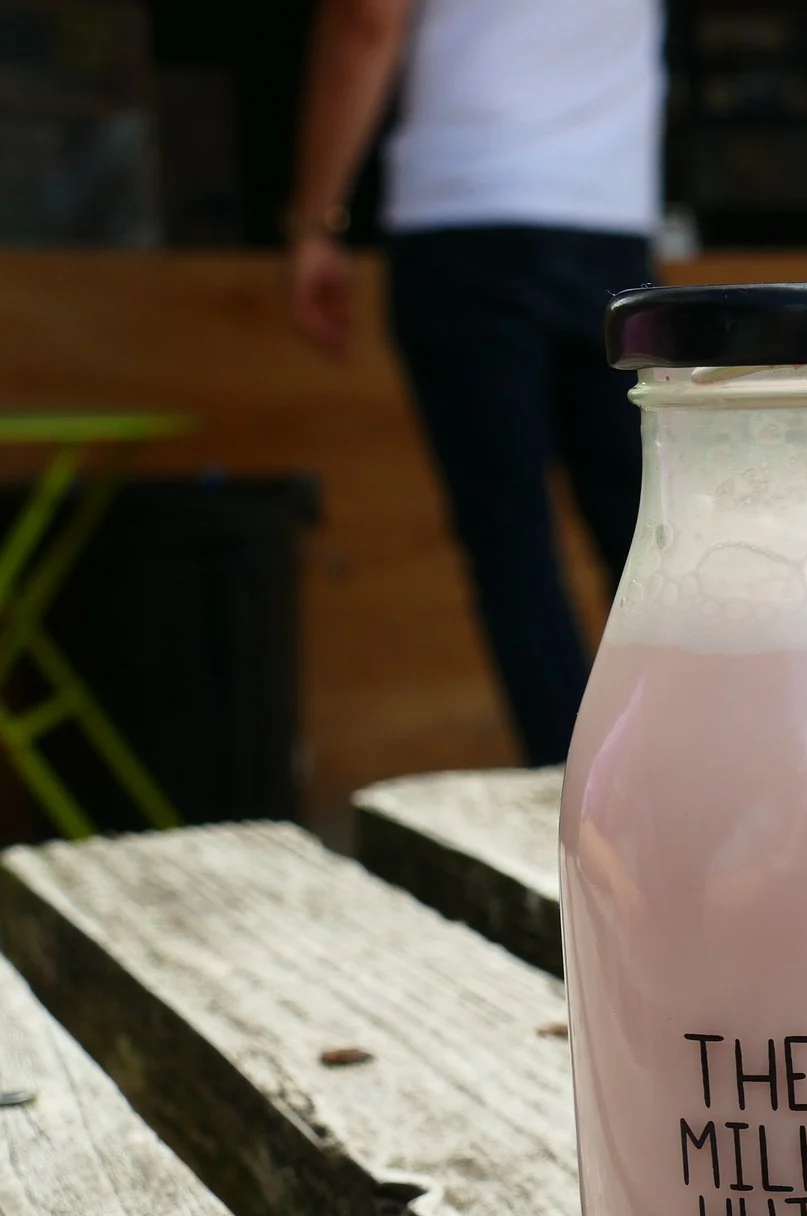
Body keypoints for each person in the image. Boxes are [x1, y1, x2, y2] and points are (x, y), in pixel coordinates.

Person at [284, 0, 663, 765]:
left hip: (468, 211)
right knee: (652, 532)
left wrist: (313, 222)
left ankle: (576, 794)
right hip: (613, 217)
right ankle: (689, 781)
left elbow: (367, 18)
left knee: (511, 539)